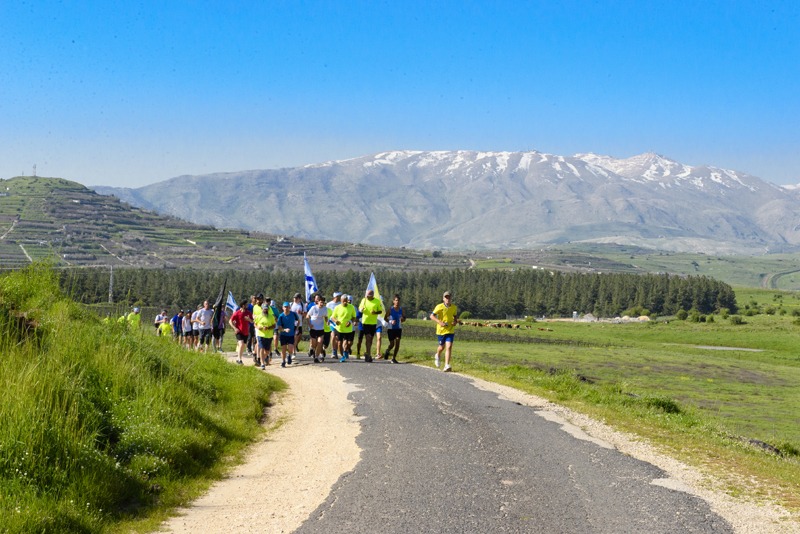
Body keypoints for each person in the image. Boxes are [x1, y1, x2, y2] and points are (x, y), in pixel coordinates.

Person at [430, 291, 459, 372]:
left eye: (449, 297)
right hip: (441, 330)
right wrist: (439, 322)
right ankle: (437, 355)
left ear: (451, 298)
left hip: (450, 330)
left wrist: (455, 322)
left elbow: (455, 316)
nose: (448, 299)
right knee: (441, 347)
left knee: (449, 346)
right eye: (446, 297)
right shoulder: (439, 307)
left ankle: (446, 365)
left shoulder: (454, 307)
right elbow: (431, 316)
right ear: (443, 299)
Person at [358, 289, 383, 363]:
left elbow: (380, 311)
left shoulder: (377, 301)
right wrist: (361, 309)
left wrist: (375, 312)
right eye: (366, 295)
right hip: (365, 322)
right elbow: (360, 308)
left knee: (370, 339)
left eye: (368, 296)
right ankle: (369, 355)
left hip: (373, 323)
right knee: (368, 338)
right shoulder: (364, 300)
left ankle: (367, 352)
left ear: (372, 295)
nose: (367, 297)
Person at [331, 294, 357, 362]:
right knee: (339, 343)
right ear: (341, 300)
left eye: (346, 301)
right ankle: (342, 356)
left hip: (348, 329)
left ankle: (346, 350)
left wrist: (350, 321)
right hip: (340, 328)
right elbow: (333, 317)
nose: (345, 302)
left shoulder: (351, 307)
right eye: (344, 301)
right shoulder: (337, 307)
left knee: (349, 343)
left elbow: (354, 317)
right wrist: (336, 321)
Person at [229, 298, 253, 365]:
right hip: (239, 331)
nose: (247, 305)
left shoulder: (248, 313)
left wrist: (249, 319)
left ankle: (238, 358)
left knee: (242, 346)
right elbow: (230, 321)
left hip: (246, 332)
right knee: (241, 344)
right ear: (243, 305)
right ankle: (239, 360)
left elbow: (252, 321)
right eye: (246, 304)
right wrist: (235, 328)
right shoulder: (237, 313)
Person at [253, 300, 276, 369]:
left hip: (268, 335)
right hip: (261, 334)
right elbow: (255, 324)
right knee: (261, 348)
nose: (265, 310)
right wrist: (257, 327)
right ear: (262, 309)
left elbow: (274, 325)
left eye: (266, 309)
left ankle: (265, 357)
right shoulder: (259, 316)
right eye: (264, 309)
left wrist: (268, 327)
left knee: (267, 351)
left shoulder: (271, 317)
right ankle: (262, 363)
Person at [306, 295, 328, 363]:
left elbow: (326, 317)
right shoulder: (313, 308)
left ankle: (316, 357)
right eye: (321, 302)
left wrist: (327, 322)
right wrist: (309, 324)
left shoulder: (325, 309)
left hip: (320, 328)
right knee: (314, 343)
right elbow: (307, 316)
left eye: (323, 303)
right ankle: (312, 348)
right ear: (318, 302)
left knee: (320, 342)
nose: (321, 304)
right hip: (313, 328)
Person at [383, 294, 406, 363]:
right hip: (391, 329)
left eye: (398, 300)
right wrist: (390, 321)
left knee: (398, 342)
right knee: (392, 344)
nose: (397, 302)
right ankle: (387, 351)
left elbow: (404, 318)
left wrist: (402, 319)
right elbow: (385, 318)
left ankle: (394, 358)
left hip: (398, 328)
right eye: (396, 300)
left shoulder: (401, 310)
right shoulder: (390, 309)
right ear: (393, 301)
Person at [277, 302, 300, 367]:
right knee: (283, 349)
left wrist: (296, 328)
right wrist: (284, 330)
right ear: (282, 308)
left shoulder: (293, 314)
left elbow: (298, 320)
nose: (286, 308)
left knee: (290, 348)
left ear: (289, 308)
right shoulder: (281, 316)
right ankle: (283, 361)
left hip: (291, 334)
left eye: (287, 307)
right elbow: (279, 327)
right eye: (285, 307)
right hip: (283, 335)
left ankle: (289, 355)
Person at [327, 292, 342, 359]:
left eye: (339, 296)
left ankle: (335, 351)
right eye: (337, 296)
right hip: (332, 323)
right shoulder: (329, 304)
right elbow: (326, 313)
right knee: (333, 336)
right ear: (334, 297)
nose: (338, 298)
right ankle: (333, 351)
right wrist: (327, 320)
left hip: (339, 323)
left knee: (337, 338)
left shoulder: (340, 304)